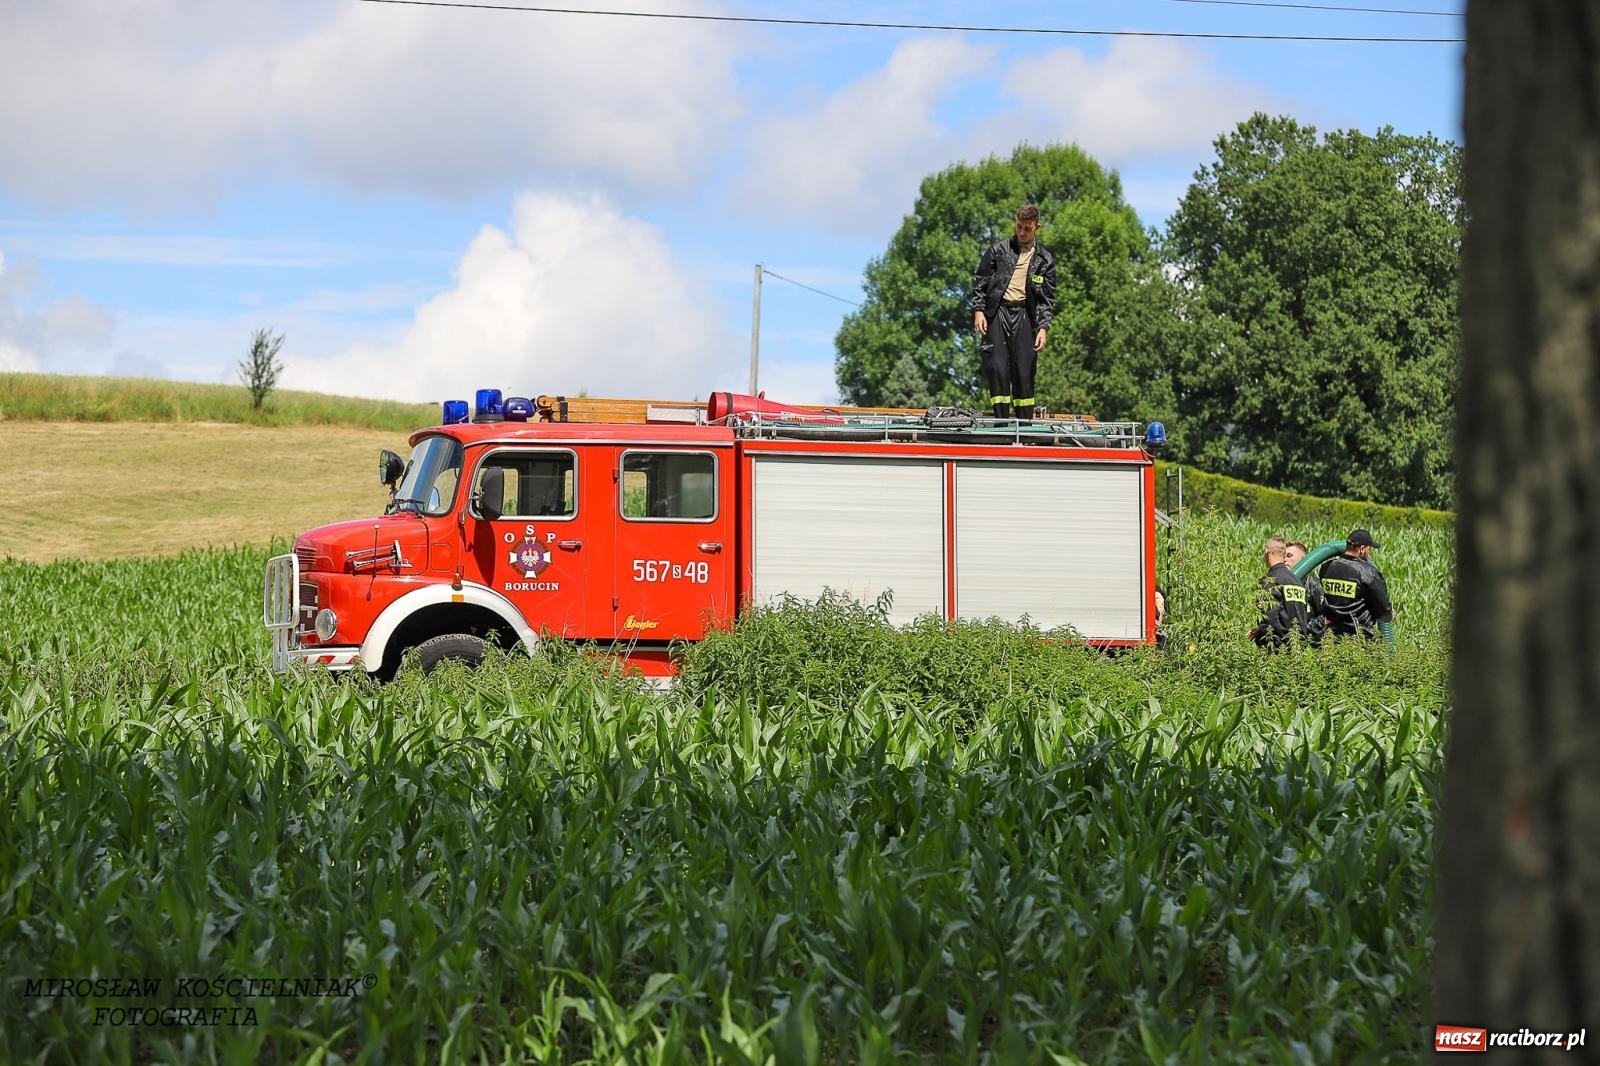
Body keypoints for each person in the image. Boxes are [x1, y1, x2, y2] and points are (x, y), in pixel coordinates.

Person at [970, 203, 1057, 421]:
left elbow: (1046, 299)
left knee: (1024, 370)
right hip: (998, 313)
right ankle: (1001, 424)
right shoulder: (998, 250)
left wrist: (1043, 327)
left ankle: (1023, 426)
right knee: (998, 369)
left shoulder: (1045, 260)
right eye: (1019, 226)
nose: (1022, 232)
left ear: (1037, 227)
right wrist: (979, 310)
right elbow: (980, 282)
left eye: (1027, 228)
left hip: (1025, 315)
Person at [1317, 528, 1394, 639]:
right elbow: (1383, 610)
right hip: (1359, 638)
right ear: (1362, 549)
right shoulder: (1369, 573)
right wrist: (1390, 614)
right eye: (1369, 549)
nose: (1369, 553)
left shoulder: (1326, 568)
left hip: (1329, 636)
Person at [1248, 535, 1317, 648]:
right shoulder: (1297, 581)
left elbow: (1269, 619)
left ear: (1267, 551)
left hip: (1278, 649)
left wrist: (1261, 636)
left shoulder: (1270, 581)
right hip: (1298, 647)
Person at [1283, 540, 1327, 622]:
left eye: (1289, 556)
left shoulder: (1314, 585)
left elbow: (1325, 617)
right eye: (1283, 556)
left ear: (1302, 559)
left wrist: (1308, 628)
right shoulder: (1279, 583)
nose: (1284, 559)